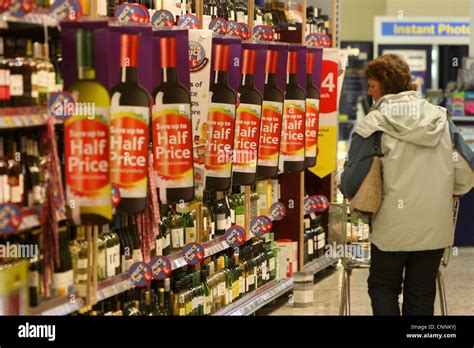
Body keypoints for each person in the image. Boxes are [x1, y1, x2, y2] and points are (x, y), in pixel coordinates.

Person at [340, 54, 474, 316]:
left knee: (383, 287)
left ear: (385, 84)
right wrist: (452, 188)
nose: (369, 91)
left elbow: (352, 181)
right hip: (434, 227)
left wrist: (345, 184)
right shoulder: (441, 118)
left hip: (391, 228)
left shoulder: (373, 124)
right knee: (422, 292)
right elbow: (465, 169)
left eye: (372, 85)